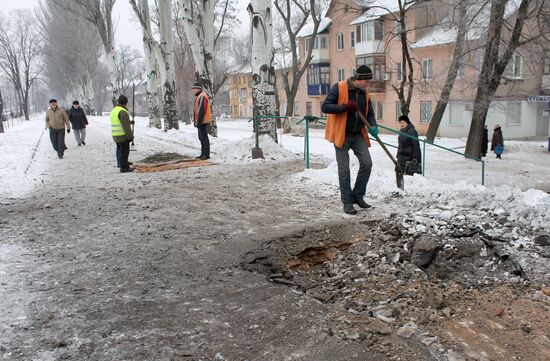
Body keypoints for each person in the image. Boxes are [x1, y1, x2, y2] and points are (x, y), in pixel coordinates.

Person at [321, 65, 379, 215]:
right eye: (367, 81)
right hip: (342, 134)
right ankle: (347, 202)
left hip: (358, 134)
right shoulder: (339, 88)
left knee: (367, 163)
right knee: (344, 170)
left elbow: (370, 113)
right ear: (358, 79)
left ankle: (358, 196)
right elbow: (325, 107)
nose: (368, 84)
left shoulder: (364, 93)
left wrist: (373, 125)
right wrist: (345, 107)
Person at [109, 95, 134, 172]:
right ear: (126, 102)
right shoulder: (122, 111)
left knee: (119, 149)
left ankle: (120, 162)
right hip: (122, 135)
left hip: (115, 135)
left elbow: (119, 121)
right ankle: (124, 167)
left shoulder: (114, 110)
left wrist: (130, 122)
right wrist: (130, 137)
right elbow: (126, 127)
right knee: (125, 151)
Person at [192, 83, 211, 160]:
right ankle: (203, 154)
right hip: (201, 121)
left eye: (194, 88)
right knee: (201, 138)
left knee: (204, 138)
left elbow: (201, 110)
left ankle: (206, 155)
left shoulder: (202, 96)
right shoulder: (200, 96)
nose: (193, 90)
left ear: (198, 89)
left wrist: (199, 121)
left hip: (203, 121)